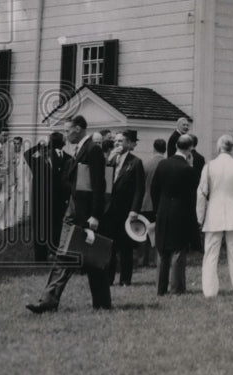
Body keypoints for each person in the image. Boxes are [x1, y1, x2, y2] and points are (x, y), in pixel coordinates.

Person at [26, 117, 112, 312]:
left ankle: (53, 300)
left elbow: (99, 184)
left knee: (85, 258)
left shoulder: (92, 150)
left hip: (83, 213)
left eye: (67, 131)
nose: (65, 135)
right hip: (76, 211)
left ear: (79, 129)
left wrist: (96, 215)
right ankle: (54, 300)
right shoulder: (82, 149)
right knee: (71, 256)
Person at [196, 135, 233, 298]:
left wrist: (200, 217)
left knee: (210, 253)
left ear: (219, 147)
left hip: (214, 214)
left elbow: (201, 194)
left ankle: (209, 291)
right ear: (232, 148)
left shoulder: (209, 166)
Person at [151, 133, 200, 295]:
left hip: (163, 209)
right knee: (178, 250)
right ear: (190, 149)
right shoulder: (187, 169)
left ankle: (160, 287)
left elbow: (154, 189)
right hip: (180, 211)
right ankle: (177, 288)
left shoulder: (163, 164)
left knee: (162, 249)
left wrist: (158, 207)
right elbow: (193, 192)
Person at [102, 130, 145, 286]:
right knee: (110, 246)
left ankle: (125, 279)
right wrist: (109, 161)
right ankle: (108, 278)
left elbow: (140, 189)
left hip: (125, 210)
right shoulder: (111, 161)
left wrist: (135, 209)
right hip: (109, 209)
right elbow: (105, 183)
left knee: (125, 246)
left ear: (128, 143)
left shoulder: (135, 162)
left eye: (120, 141)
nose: (117, 144)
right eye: (116, 142)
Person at [23, 131, 72, 261]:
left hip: (57, 201)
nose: (47, 153)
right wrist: (40, 145)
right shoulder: (37, 162)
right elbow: (26, 154)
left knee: (56, 228)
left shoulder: (66, 158)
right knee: (40, 229)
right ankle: (40, 257)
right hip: (41, 201)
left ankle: (55, 253)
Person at [137, 137, 166, 267]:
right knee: (158, 232)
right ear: (165, 149)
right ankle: (157, 259)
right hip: (159, 203)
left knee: (143, 233)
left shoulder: (145, 164)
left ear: (153, 149)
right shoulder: (166, 164)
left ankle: (142, 259)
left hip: (145, 201)